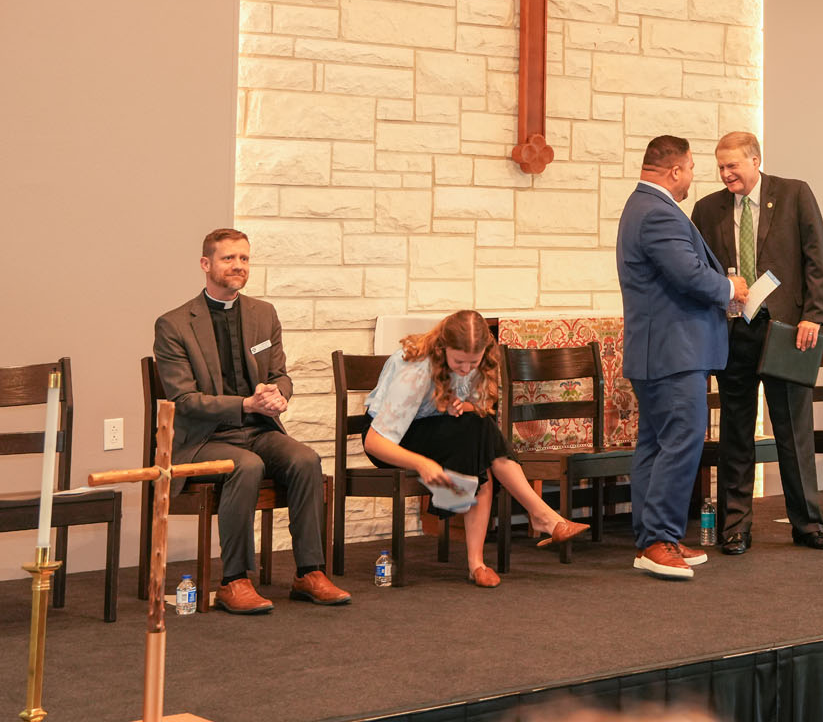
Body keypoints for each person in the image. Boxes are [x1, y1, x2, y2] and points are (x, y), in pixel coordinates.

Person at [153, 228, 350, 613]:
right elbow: (184, 400)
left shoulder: (263, 314)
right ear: (206, 264)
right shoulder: (174, 324)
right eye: (229, 259)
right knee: (247, 466)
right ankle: (234, 580)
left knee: (305, 459)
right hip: (203, 438)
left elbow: (280, 374)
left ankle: (309, 572)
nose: (238, 266)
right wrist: (245, 404)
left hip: (259, 429)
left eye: (244, 258)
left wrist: (279, 394)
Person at [361, 310, 588, 588]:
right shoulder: (417, 369)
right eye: (458, 361)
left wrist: (463, 406)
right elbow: (373, 442)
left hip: (431, 428)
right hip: (390, 441)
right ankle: (534, 519)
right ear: (444, 347)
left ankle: (488, 555)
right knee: (479, 436)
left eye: (473, 361)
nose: (466, 369)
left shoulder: (478, 362)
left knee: (478, 432)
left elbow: (479, 406)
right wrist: (422, 464)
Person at [692, 131, 823, 554]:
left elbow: (816, 258)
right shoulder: (707, 209)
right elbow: (699, 269)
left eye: (732, 165)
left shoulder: (794, 194)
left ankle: (807, 523)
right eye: (720, 167)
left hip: (787, 330)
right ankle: (735, 527)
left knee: (793, 430)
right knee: (736, 431)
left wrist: (815, 314)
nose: (725, 173)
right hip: (734, 332)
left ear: (755, 160)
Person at [617, 135, 748, 579]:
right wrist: (732, 288)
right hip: (673, 350)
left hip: (664, 349)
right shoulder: (655, 213)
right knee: (682, 440)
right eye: (691, 168)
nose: (694, 176)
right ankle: (657, 540)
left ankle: (656, 537)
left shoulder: (644, 207)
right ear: (674, 171)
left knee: (657, 443)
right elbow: (687, 274)